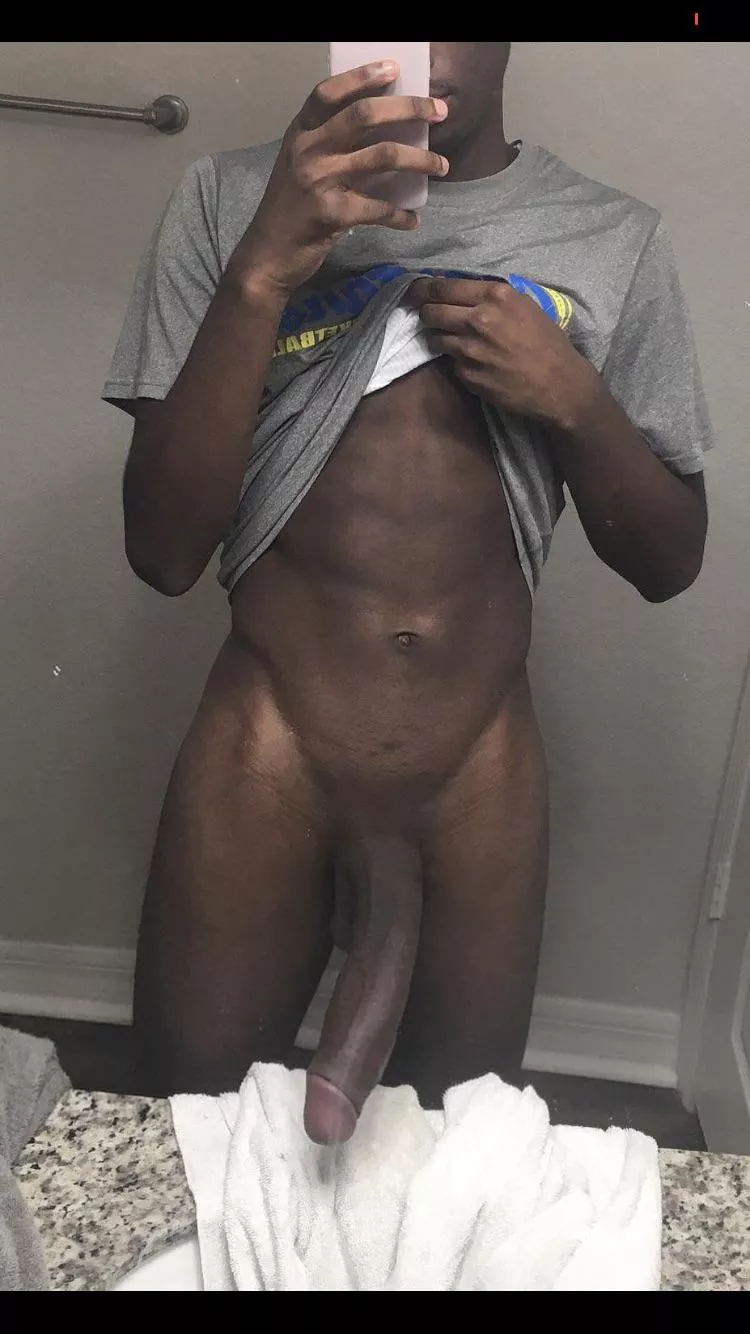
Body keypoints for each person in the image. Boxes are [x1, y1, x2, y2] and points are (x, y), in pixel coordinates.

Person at [103, 42, 711, 1144]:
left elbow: (671, 562)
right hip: (266, 744)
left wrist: (575, 399)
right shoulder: (229, 201)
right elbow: (163, 549)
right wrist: (260, 273)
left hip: (479, 764)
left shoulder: (611, 238)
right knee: (189, 1138)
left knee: (447, 1156)